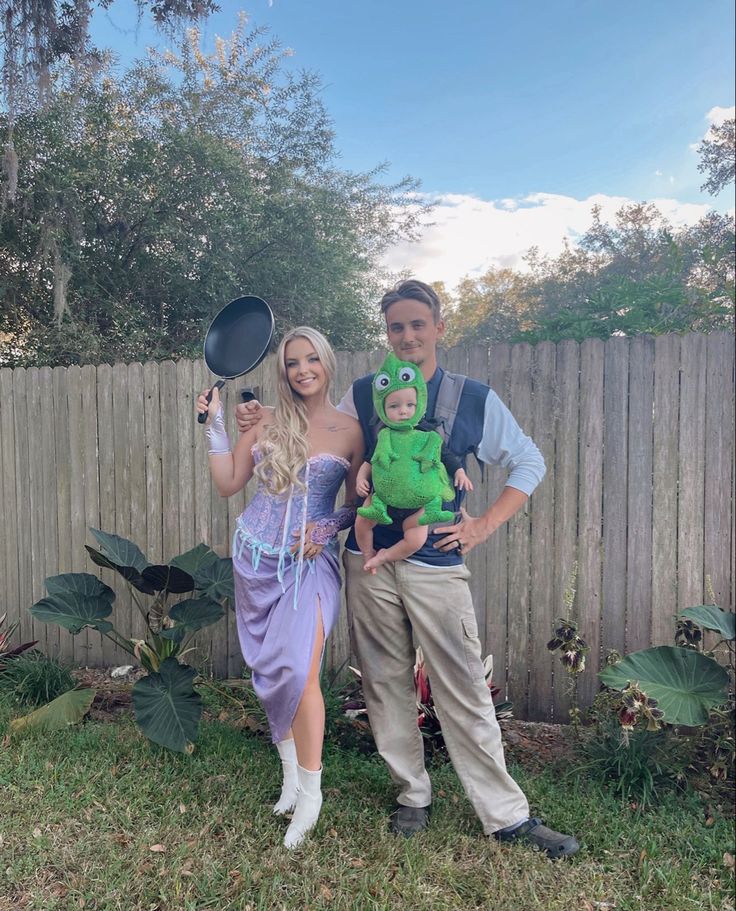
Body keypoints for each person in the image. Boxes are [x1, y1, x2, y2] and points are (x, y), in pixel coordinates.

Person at [235, 282, 579, 858]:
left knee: (463, 685)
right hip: (367, 562)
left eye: (418, 324)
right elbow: (314, 422)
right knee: (385, 683)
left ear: (440, 327)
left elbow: (528, 460)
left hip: (436, 565)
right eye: (397, 327)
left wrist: (482, 525)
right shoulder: (366, 393)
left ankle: (506, 816)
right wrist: (258, 412)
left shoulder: (472, 398)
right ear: (387, 334)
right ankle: (411, 795)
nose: (408, 336)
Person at [197, 326, 363, 849]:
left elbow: (360, 503)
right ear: (283, 371)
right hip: (254, 558)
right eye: (293, 362)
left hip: (309, 566)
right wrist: (215, 424)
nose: (303, 369)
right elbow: (228, 482)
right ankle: (290, 777)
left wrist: (326, 527)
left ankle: (311, 793)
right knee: (269, 672)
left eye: (312, 358)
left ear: (328, 362)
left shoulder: (351, 430)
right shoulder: (265, 419)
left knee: (299, 668)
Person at [354, 351, 473, 572]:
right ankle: (368, 553)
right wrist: (361, 478)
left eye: (410, 405)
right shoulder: (384, 436)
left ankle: (384, 557)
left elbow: (446, 456)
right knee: (361, 524)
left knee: (415, 540)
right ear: (382, 409)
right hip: (382, 500)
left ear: (419, 403)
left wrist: (459, 472)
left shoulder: (428, 434)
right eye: (394, 407)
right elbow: (369, 461)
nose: (403, 411)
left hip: (418, 504)